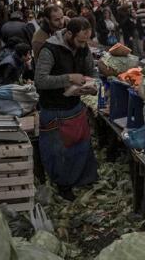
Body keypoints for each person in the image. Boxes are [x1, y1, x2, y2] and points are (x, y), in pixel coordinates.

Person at [34, 17, 98, 200]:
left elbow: (90, 70)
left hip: (75, 106)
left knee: (80, 145)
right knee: (58, 151)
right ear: (69, 34)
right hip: (53, 109)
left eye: (86, 41)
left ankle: (82, 179)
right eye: (79, 41)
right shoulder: (50, 49)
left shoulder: (83, 47)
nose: (82, 45)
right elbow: (40, 80)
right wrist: (68, 78)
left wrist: (92, 84)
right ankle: (63, 186)